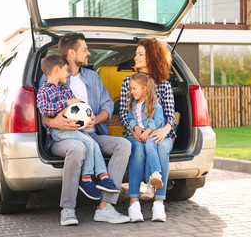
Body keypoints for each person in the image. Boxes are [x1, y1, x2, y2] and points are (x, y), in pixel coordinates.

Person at [39, 33, 131, 226]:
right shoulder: (52, 79)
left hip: (92, 133)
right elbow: (44, 114)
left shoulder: (92, 76)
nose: (88, 53)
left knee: (123, 145)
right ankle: (68, 209)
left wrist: (96, 119)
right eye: (85, 49)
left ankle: (105, 207)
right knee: (78, 147)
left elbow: (107, 104)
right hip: (63, 138)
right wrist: (57, 123)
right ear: (71, 52)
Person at [37, 54, 120, 203]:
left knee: (93, 143)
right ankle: (86, 178)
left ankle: (103, 176)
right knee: (88, 143)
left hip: (73, 130)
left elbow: (76, 106)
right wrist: (65, 103)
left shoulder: (64, 88)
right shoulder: (44, 91)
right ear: (56, 70)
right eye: (66, 70)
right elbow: (45, 109)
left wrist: (86, 114)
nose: (68, 73)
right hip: (58, 132)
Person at [119, 38, 175, 222]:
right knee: (138, 149)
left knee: (160, 147)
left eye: (140, 54)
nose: (135, 57)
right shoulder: (129, 81)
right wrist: (135, 130)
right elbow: (123, 112)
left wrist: (163, 131)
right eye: (136, 54)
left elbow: (170, 117)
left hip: (161, 131)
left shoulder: (164, 84)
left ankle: (159, 202)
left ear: (152, 57)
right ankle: (134, 201)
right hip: (136, 132)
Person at [126, 72, 165, 200]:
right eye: (131, 88)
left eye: (134, 88)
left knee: (150, 147)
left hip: (152, 134)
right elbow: (130, 118)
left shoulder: (154, 105)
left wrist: (146, 133)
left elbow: (157, 122)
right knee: (144, 149)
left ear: (145, 88)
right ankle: (150, 187)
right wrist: (136, 130)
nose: (132, 91)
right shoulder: (133, 105)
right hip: (141, 135)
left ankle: (156, 174)